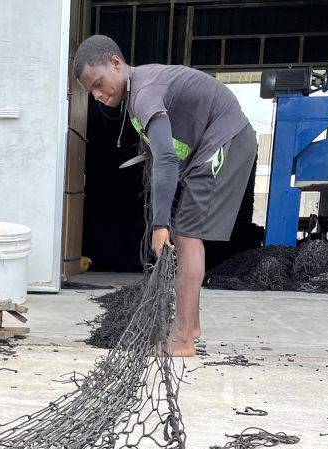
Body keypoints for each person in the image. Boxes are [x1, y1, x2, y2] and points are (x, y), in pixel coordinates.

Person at [74, 35, 257, 356]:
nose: (99, 95)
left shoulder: (144, 93)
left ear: (116, 63)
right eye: (92, 92)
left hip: (227, 138)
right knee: (186, 232)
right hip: (209, 145)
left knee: (186, 235)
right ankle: (191, 326)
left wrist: (160, 226)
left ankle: (182, 339)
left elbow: (167, 159)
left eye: (99, 84)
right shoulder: (136, 95)